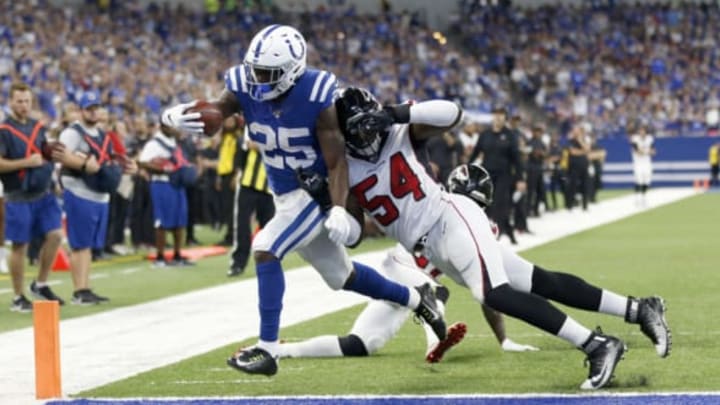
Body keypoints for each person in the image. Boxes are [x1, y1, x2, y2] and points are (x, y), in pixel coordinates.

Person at [160, 24, 446, 377]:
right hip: (283, 194)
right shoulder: (244, 82)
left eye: (268, 74)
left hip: (313, 192)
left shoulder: (316, 93)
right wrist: (182, 114)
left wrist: (339, 206)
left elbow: (337, 158)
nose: (259, 80)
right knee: (341, 276)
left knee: (266, 246)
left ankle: (268, 350)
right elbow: (219, 111)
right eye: (255, 71)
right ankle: (420, 299)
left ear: (294, 69)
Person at [324, 87, 642, 390]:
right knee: (536, 281)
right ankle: (637, 310)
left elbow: (453, 113)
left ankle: (597, 345)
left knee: (493, 293)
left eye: (370, 123)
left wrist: (393, 114)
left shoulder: (399, 131)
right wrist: (338, 221)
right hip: (431, 248)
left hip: (449, 218)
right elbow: (354, 235)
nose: (368, 134)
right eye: (359, 129)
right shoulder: (345, 168)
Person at [58, 91, 137, 305]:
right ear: (81, 110)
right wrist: (83, 164)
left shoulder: (102, 134)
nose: (93, 112)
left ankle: (85, 288)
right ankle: (79, 290)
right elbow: (60, 156)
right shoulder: (72, 133)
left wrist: (127, 166)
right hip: (79, 190)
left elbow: (109, 158)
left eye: (96, 108)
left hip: (99, 194)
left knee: (90, 246)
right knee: (80, 245)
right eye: (89, 109)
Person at [0, 82, 65, 312]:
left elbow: (44, 154)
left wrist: (54, 175)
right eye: (19, 101)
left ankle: (40, 283)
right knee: (20, 246)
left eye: (27, 101)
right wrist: (26, 163)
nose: (24, 105)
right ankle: (18, 296)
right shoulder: (4, 131)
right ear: (10, 102)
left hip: (44, 192)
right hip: (18, 195)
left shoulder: (38, 126)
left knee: (56, 234)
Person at [138, 124, 196, 267]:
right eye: (172, 127)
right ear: (164, 127)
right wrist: (163, 169)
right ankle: (160, 256)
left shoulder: (176, 143)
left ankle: (177, 254)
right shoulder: (154, 144)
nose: (176, 129)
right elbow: (142, 162)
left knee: (180, 220)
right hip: (162, 184)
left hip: (178, 184)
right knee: (162, 222)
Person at [468, 106, 523, 244]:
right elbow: (475, 152)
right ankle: (503, 232)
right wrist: (467, 168)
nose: (498, 117)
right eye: (496, 114)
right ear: (492, 116)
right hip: (487, 174)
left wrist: (520, 178)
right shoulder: (484, 135)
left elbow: (517, 159)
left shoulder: (510, 135)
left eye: (501, 114)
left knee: (500, 203)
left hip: (504, 175)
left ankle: (495, 234)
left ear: (505, 118)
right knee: (486, 204)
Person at [228, 130, 275, 277]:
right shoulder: (253, 122)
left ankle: (268, 263)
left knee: (268, 228)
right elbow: (249, 144)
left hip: (270, 187)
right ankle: (238, 263)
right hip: (248, 183)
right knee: (242, 225)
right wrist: (271, 146)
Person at [630, 126, 655, 206]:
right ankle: (637, 197)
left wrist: (645, 151)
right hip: (638, 163)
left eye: (643, 131)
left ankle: (644, 197)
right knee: (639, 180)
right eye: (640, 131)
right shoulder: (635, 138)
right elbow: (637, 151)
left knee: (647, 180)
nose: (642, 132)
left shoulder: (649, 139)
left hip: (647, 163)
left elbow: (653, 151)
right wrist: (647, 151)